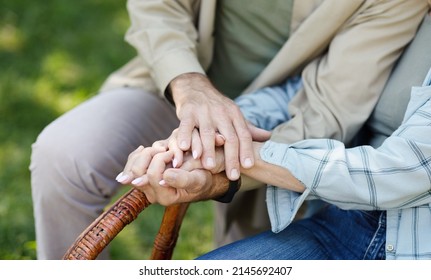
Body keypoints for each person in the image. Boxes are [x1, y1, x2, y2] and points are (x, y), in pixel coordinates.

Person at [30, 0, 429, 259]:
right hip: (176, 86)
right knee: (63, 153)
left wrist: (227, 159)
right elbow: (157, 8)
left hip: (286, 126)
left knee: (230, 255)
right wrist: (189, 85)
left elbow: (330, 104)